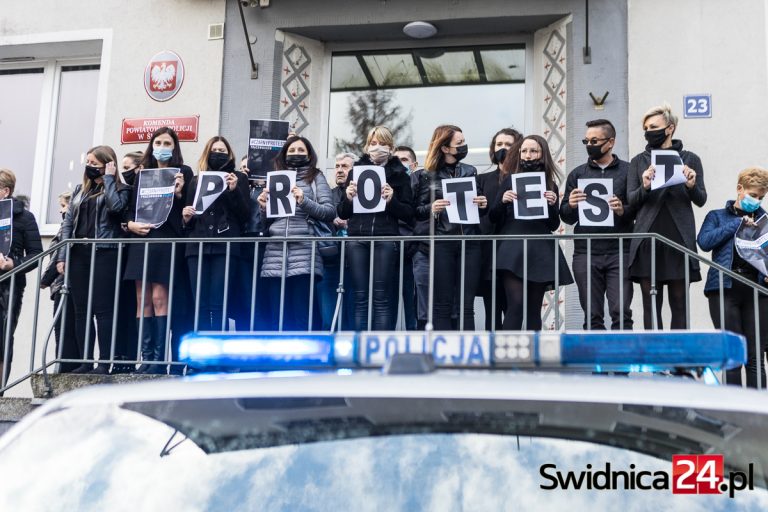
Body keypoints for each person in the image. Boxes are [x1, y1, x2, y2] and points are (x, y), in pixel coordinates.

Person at [627, 103, 706, 329]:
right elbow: (631, 201)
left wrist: (691, 185)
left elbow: (701, 199)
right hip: (646, 240)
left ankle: (678, 363)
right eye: (646, 128)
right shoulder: (638, 161)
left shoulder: (690, 158)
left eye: (654, 127)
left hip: (678, 239)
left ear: (669, 128)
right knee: (651, 304)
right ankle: (655, 363)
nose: (648, 132)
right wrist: (645, 186)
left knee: (680, 303)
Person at [124, 127, 193, 373]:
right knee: (142, 299)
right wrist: (130, 224)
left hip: (166, 239)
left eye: (167, 142)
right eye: (158, 142)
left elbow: (188, 211)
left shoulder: (183, 172)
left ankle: (158, 360)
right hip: (142, 239)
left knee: (159, 298)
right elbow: (130, 208)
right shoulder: (142, 174)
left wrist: (180, 193)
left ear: (174, 147)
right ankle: (147, 357)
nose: (162, 146)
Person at [55, 147, 130, 374]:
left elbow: (116, 208)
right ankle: (85, 361)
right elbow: (68, 224)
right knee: (81, 310)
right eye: (87, 161)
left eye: (94, 162)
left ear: (108, 164)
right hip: (79, 252)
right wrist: (63, 254)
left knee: (103, 309)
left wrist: (108, 178)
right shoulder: (80, 190)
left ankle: (104, 362)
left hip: (105, 251)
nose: (89, 166)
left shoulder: (121, 188)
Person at [489, 135, 573, 330]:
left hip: (539, 249)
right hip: (512, 249)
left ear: (542, 154)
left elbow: (553, 224)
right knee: (516, 304)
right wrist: (503, 201)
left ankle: (534, 356)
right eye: (524, 151)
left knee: (534, 309)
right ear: (519, 154)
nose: (528, 155)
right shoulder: (509, 179)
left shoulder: (549, 184)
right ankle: (508, 354)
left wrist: (552, 204)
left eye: (533, 151)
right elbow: (493, 216)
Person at [560, 119, 634, 330]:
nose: (589, 145)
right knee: (592, 315)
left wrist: (622, 210)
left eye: (594, 140)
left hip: (620, 252)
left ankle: (622, 361)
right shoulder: (577, 174)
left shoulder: (629, 171)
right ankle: (596, 362)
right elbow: (566, 217)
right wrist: (571, 205)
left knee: (621, 311)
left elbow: (637, 209)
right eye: (586, 140)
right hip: (586, 252)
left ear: (610, 142)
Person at [697, 167, 768, 388]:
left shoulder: (765, 221)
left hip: (757, 289)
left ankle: (759, 412)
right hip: (724, 288)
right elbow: (704, 242)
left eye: (761, 197)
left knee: (755, 356)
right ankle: (734, 412)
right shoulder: (717, 216)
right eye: (753, 195)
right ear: (740, 189)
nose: (756, 201)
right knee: (733, 355)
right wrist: (737, 223)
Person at [337, 126, 413, 331]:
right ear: (367, 146)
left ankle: (380, 346)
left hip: (385, 239)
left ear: (391, 147)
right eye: (373, 143)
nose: (377, 147)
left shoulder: (400, 175)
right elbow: (343, 213)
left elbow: (408, 213)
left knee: (381, 296)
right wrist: (348, 197)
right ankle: (361, 348)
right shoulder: (355, 171)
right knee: (360, 296)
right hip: (357, 238)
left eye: (382, 143)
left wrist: (392, 200)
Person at [257, 136, 336, 330]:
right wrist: (263, 208)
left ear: (309, 154)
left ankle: (302, 360)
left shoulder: (316, 177)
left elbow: (329, 211)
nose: (296, 154)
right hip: (275, 254)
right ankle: (280, 359)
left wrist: (303, 201)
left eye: (301, 150)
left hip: (305, 253)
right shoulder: (275, 177)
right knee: (278, 318)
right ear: (284, 155)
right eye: (292, 151)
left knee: (302, 316)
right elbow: (267, 222)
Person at [414, 125, 488, 330]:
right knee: (442, 304)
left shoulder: (470, 170)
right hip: (442, 242)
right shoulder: (428, 175)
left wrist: (483, 204)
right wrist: (432, 207)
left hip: (470, 242)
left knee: (466, 304)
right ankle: (443, 352)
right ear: (445, 148)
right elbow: (418, 210)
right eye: (460, 143)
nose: (464, 146)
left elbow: (479, 210)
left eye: (464, 141)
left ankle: (467, 356)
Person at [182, 136, 249, 331]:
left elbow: (244, 215)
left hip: (225, 247)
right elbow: (189, 217)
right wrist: (186, 217)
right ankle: (203, 356)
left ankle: (217, 353)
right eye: (214, 150)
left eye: (222, 151)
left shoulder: (239, 178)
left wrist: (234, 190)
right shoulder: (196, 180)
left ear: (230, 155)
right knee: (200, 305)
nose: (218, 154)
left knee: (219, 304)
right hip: (197, 247)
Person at [0, 169, 42, 383]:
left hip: (9, 284)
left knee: (2, 338)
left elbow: (36, 254)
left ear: (5, 191)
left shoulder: (24, 217)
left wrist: (13, 264)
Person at [477, 128, 521, 330]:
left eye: (508, 145)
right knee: (492, 309)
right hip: (489, 252)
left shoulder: (525, 180)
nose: (503, 148)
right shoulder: (482, 180)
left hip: (515, 252)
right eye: (499, 144)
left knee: (516, 307)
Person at [40, 192, 80, 373]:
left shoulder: (68, 226)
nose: (60, 210)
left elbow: (58, 253)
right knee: (67, 327)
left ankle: (65, 367)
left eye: (63, 206)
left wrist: (44, 280)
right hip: (65, 282)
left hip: (64, 282)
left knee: (64, 327)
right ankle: (66, 365)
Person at [317, 152, 356, 331]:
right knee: (328, 319)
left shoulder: (363, 195)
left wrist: (351, 223)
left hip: (355, 263)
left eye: (345, 167)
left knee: (353, 320)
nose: (340, 170)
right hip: (330, 262)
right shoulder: (327, 195)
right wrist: (331, 219)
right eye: (337, 167)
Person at [393, 146, 418, 330]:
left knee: (413, 306)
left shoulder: (420, 184)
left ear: (414, 164)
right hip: (391, 252)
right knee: (387, 304)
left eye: (404, 160)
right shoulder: (387, 186)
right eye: (397, 160)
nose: (400, 164)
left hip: (413, 253)